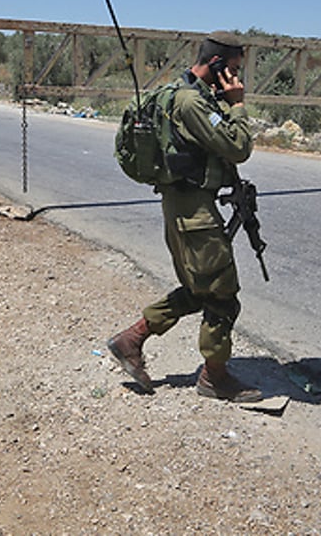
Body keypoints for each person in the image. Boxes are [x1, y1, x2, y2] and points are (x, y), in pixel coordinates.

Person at [107, 32, 263, 403]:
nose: (238, 79)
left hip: (183, 209)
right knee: (223, 296)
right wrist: (237, 105)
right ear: (218, 65)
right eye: (235, 70)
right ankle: (215, 377)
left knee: (198, 289)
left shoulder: (182, 94)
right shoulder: (192, 102)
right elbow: (238, 147)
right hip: (195, 214)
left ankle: (131, 339)